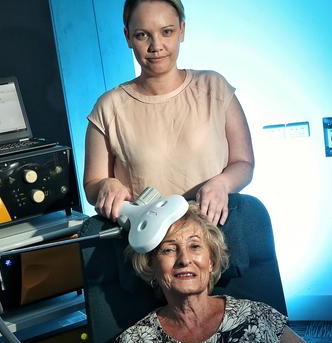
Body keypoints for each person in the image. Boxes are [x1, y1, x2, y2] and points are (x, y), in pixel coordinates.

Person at [84, 0, 254, 226]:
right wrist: (105, 186)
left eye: (167, 32)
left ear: (181, 30)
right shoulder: (108, 107)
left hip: (215, 234)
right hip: (146, 246)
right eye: (142, 35)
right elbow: (92, 185)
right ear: (127, 37)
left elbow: (243, 162)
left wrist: (222, 183)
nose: (156, 46)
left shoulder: (214, 88)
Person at [105, 202, 327, 343]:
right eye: (169, 249)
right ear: (151, 266)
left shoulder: (256, 317)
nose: (184, 259)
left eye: (195, 246)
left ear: (211, 262)